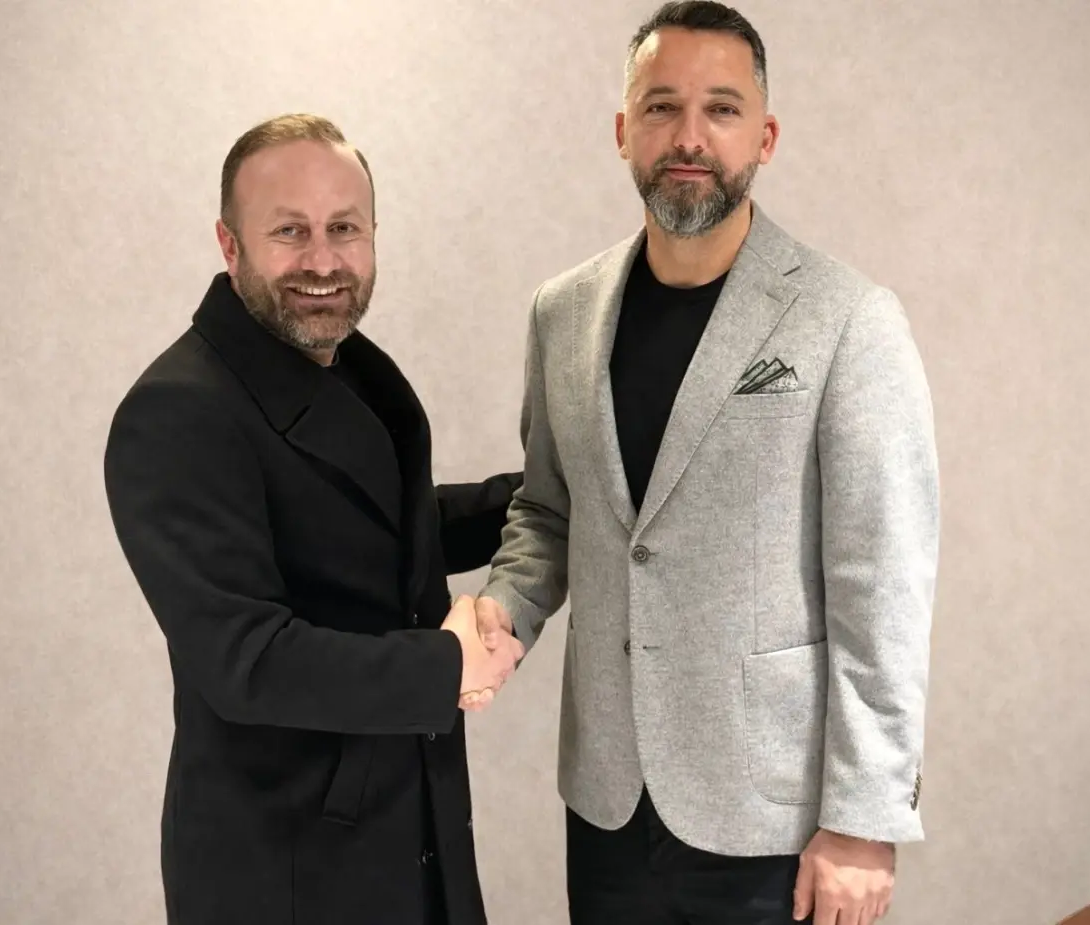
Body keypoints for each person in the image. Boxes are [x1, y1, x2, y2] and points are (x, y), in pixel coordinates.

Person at [470, 3, 940, 924]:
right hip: (607, 797)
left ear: (765, 136)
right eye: (662, 106)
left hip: (774, 814)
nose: (689, 136)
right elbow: (549, 511)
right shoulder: (561, 312)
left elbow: (883, 580)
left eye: (722, 109)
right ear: (623, 131)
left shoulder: (849, 319)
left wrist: (864, 817)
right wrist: (502, 615)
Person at [103, 113, 525, 925]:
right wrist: (446, 666)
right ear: (230, 245)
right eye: (290, 231)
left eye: (344, 228)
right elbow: (247, 657)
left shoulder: (341, 367)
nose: (324, 261)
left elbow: (374, 533)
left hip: (406, 833)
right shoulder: (176, 411)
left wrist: (542, 499)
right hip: (287, 870)